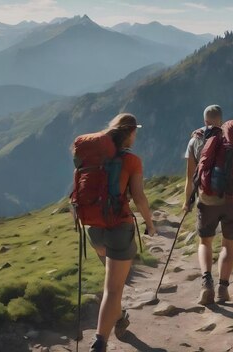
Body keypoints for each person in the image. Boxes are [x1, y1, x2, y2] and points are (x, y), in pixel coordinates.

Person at [88, 113, 156, 352]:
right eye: (135, 131)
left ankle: (119, 319)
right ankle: (99, 343)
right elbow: (138, 196)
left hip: (94, 228)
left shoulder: (93, 156)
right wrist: (150, 223)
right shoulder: (131, 160)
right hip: (118, 226)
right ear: (129, 133)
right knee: (113, 288)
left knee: (112, 282)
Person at [183, 105, 233, 305]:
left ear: (205, 121)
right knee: (229, 244)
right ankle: (223, 289)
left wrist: (187, 203)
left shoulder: (195, 141)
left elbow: (190, 178)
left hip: (207, 200)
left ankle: (206, 283)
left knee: (205, 242)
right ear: (222, 120)